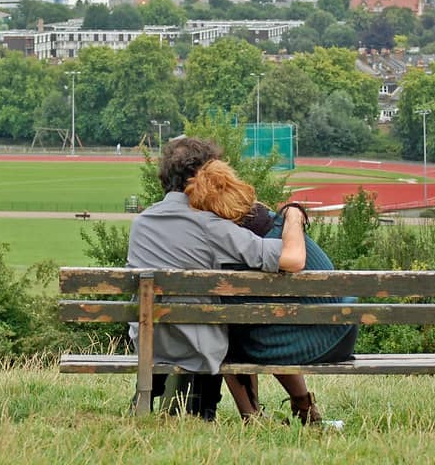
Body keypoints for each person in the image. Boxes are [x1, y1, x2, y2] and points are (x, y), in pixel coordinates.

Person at [125, 137, 307, 420]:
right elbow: (292, 259)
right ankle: (216, 411)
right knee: (232, 320)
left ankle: (166, 403)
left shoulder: (141, 224)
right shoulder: (211, 226)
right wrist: (294, 215)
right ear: (206, 175)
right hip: (199, 348)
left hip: (150, 343)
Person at [185, 159, 358, 424]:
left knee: (229, 333)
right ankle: (304, 407)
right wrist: (293, 214)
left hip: (304, 345)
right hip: (342, 334)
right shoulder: (280, 225)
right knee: (273, 324)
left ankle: (251, 415)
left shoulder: (239, 248)